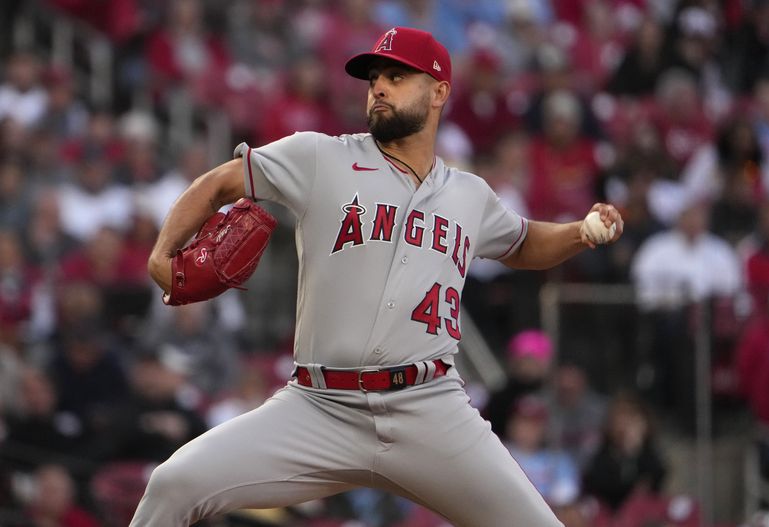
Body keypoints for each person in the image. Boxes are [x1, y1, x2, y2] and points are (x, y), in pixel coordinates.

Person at [136, 26, 624, 526]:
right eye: (374, 79)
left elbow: (522, 243)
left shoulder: (470, 195)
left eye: (396, 76)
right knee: (172, 485)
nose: (379, 88)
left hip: (429, 409)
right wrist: (163, 252)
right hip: (318, 406)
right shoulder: (321, 156)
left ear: (439, 92)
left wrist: (579, 233)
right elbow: (219, 183)